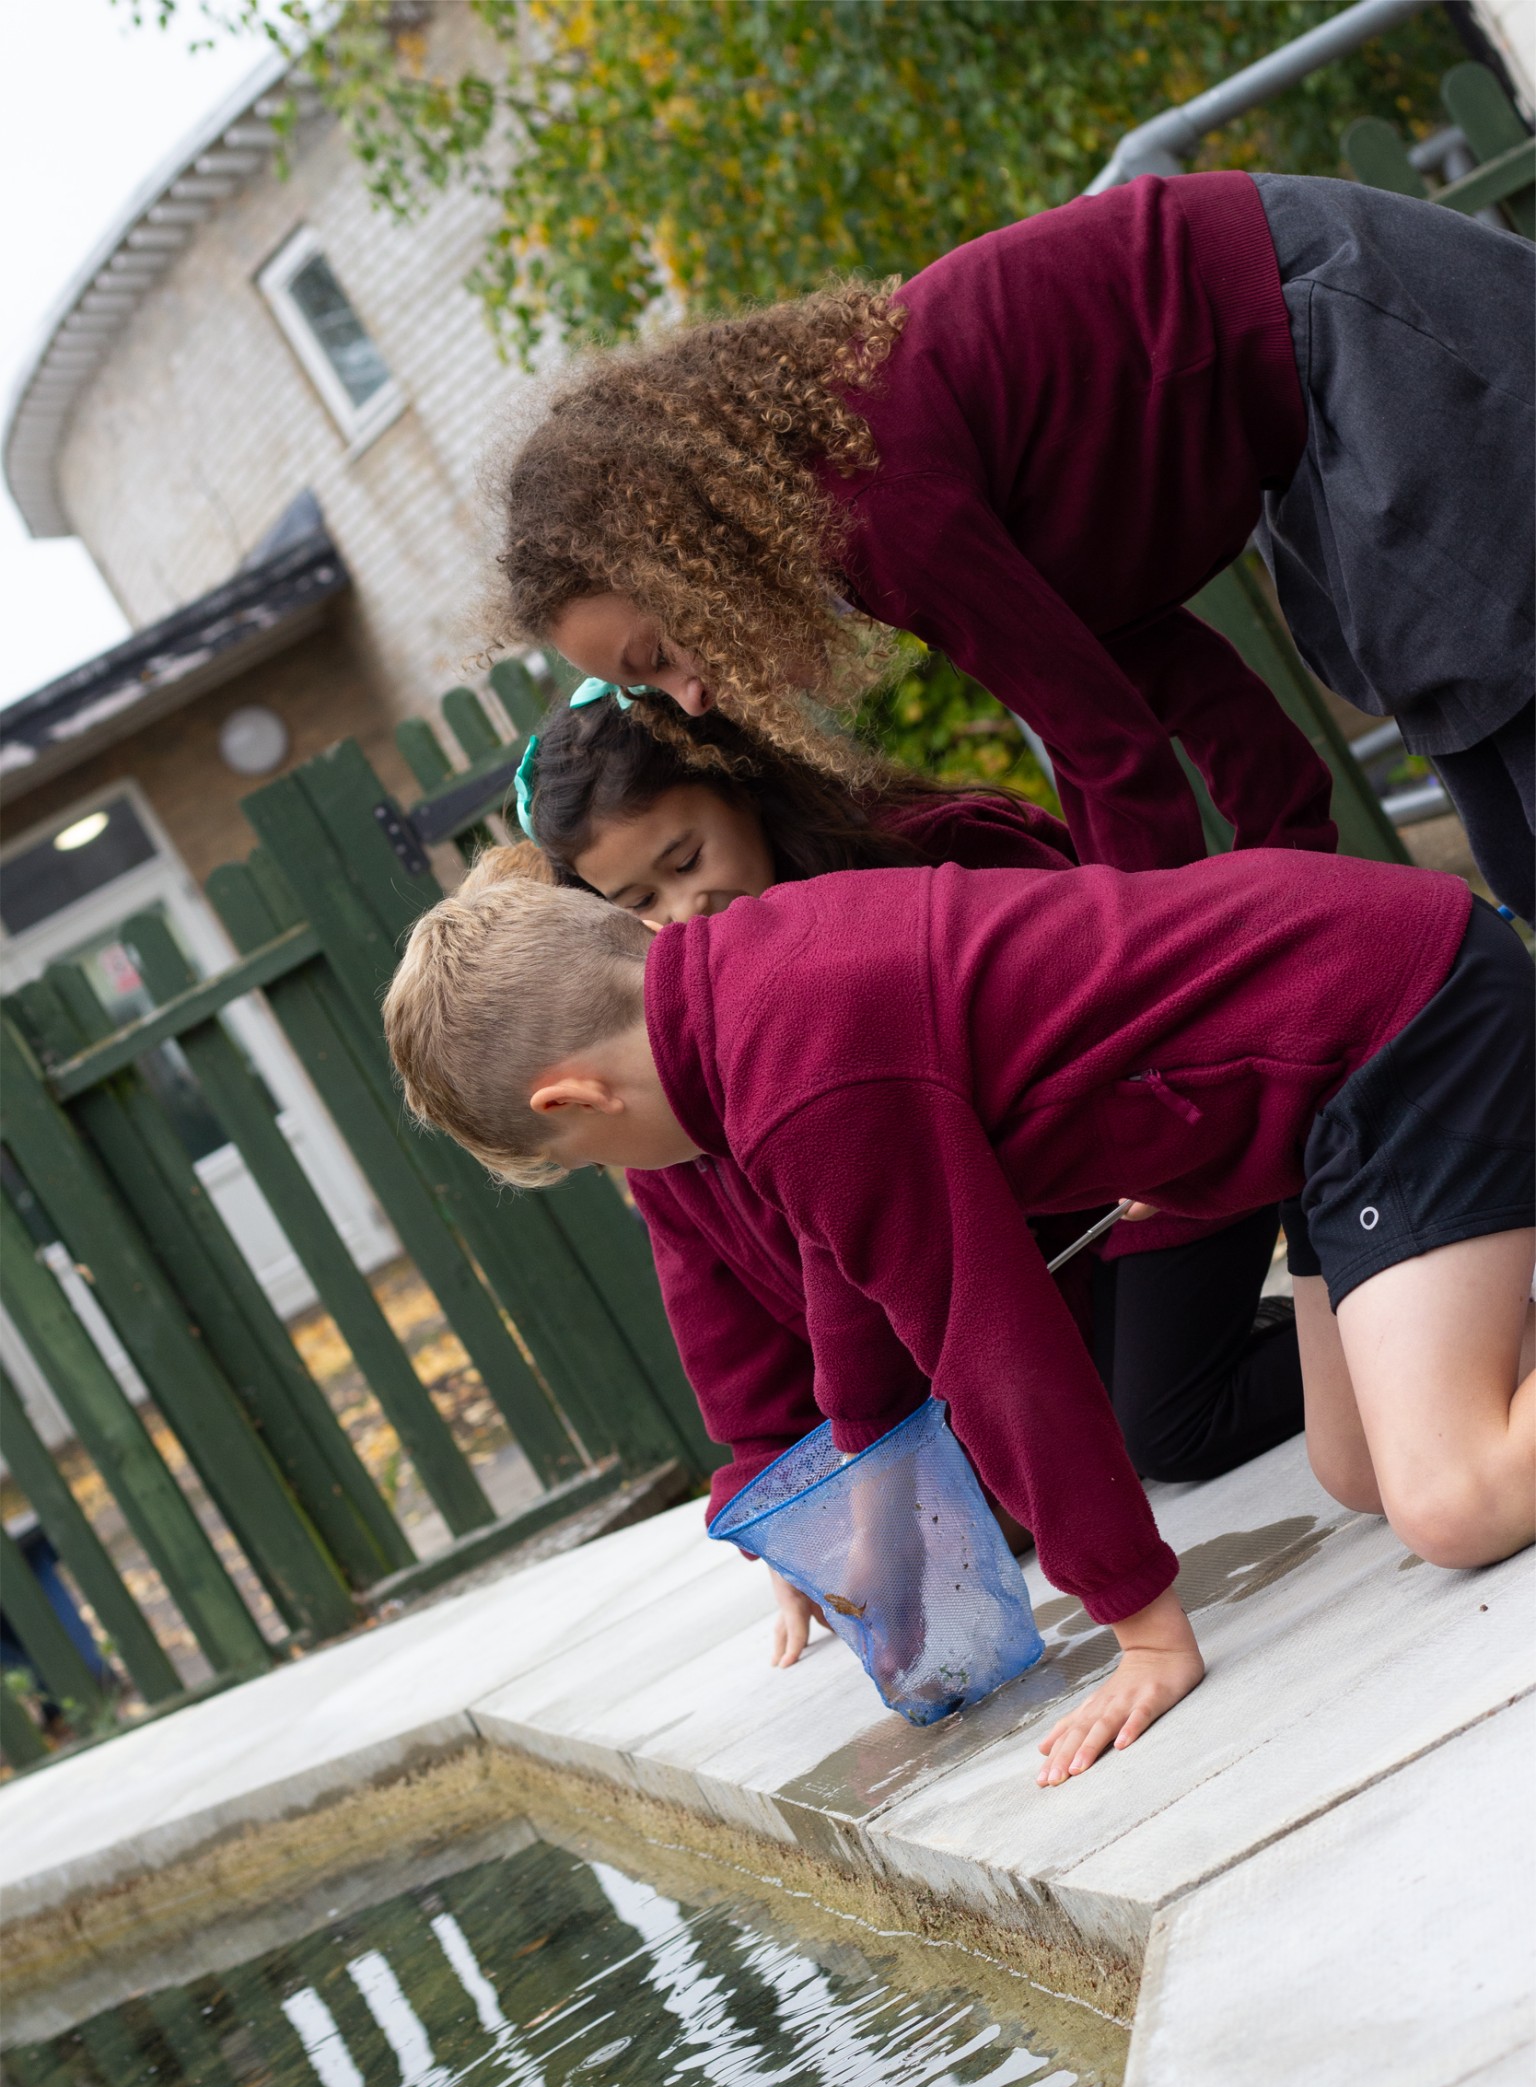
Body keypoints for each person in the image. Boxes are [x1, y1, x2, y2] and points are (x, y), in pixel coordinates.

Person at [382, 842, 1535, 1784]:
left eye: (588, 1158)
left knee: (1454, 1503)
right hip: (1330, 1074)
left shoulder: (796, 1072)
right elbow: (848, 1269)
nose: (621, 1173)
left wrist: (1142, 1621)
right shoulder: (746, 998)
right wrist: (874, 1485)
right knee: (1357, 1472)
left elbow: (996, 1348)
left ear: (574, 1098)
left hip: (1396, 1028)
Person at [491, 171, 1534, 916]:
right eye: (652, 692)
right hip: (1308, 414)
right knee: (1511, 837)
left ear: (694, 553)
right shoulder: (858, 534)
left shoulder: (880, 507)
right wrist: (1293, 885)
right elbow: (1173, 693)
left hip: (1352, 332)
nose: (694, 700)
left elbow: (1113, 758)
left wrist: (1145, 993)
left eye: (661, 655)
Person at [511, 685, 1306, 1567]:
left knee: (1169, 1427)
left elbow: (1111, 962)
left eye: (689, 859)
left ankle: (1388, 1292)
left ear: (745, 788)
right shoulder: (658, 1070)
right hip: (1032, 1271)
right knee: (982, 1518)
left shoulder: (924, 856)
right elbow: (724, 1297)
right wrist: (780, 1488)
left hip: (1152, 1150)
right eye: (638, 901)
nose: (682, 910)